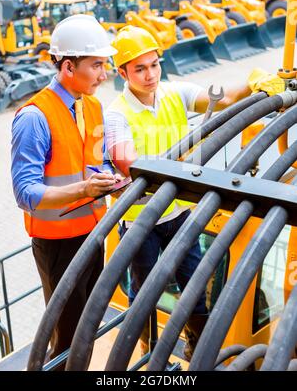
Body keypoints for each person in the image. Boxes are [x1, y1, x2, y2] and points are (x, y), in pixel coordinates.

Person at [105, 25, 284, 361]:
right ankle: (147, 350)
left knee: (195, 286)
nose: (150, 74)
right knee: (142, 294)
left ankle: (196, 347)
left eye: (154, 64)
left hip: (179, 214)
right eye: (140, 68)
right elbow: (128, 161)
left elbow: (224, 97)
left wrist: (253, 81)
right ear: (123, 72)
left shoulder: (175, 93)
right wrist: (179, 161)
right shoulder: (116, 114)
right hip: (141, 222)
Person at [11, 14, 121, 365]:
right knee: (68, 336)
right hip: (58, 245)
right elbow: (25, 193)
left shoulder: (92, 106)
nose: (105, 75)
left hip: (93, 234)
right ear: (69, 66)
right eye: (97, 65)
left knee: (88, 325)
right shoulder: (35, 117)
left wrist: (107, 178)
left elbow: (95, 160)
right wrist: (84, 188)